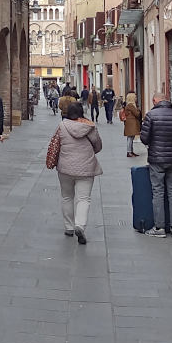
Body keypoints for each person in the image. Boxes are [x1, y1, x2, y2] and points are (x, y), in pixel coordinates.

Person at [46, 102, 103, 243]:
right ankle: (80, 225)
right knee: (84, 199)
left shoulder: (62, 126)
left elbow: (55, 145)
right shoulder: (90, 127)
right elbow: (98, 146)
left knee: (67, 197)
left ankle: (69, 227)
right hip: (86, 167)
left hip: (65, 168)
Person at [140, 91, 172, 237]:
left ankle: (159, 228)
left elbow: (144, 138)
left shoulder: (150, 116)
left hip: (156, 160)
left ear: (155, 101)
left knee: (158, 192)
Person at [121, 92, 142, 157]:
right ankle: (129, 152)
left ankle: (131, 151)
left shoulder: (129, 105)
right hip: (131, 123)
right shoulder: (131, 106)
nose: (136, 98)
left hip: (130, 123)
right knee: (130, 138)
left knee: (131, 137)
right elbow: (137, 114)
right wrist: (138, 110)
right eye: (135, 97)